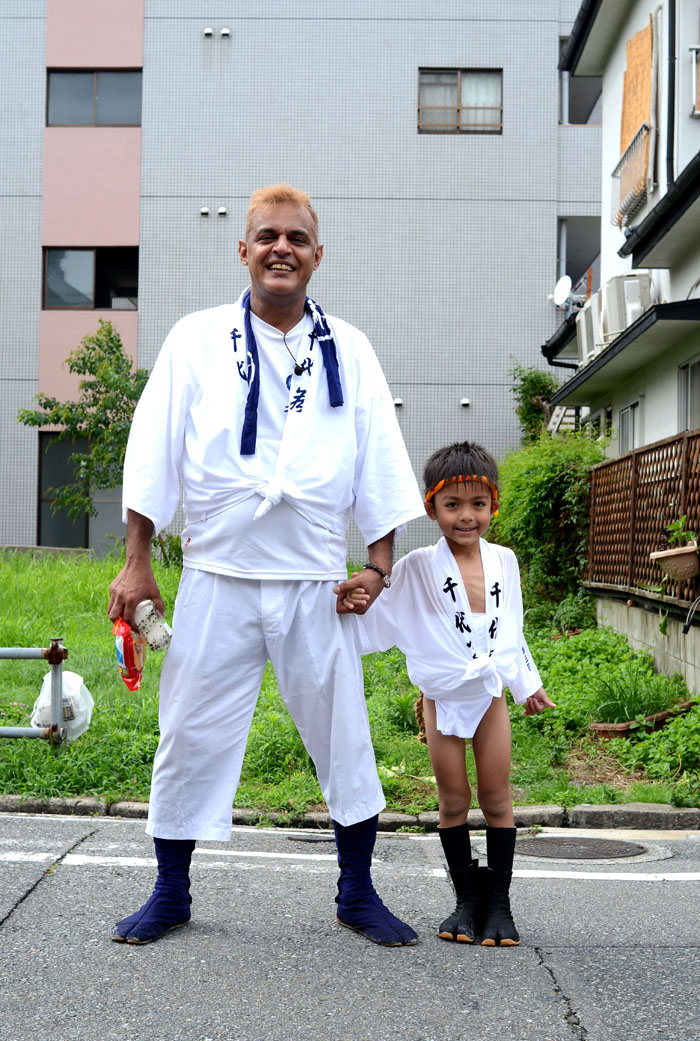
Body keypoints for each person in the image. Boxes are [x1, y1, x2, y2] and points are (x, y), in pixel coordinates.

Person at [107, 184, 426, 947]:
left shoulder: (351, 347)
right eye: (267, 236)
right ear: (243, 249)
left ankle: (357, 891)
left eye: (297, 237)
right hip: (217, 570)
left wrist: (378, 568)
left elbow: (378, 457)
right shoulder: (195, 338)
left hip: (316, 580)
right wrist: (137, 563)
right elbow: (152, 451)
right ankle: (171, 890)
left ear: (318, 254)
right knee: (188, 731)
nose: (282, 248)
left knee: (343, 731)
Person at [344, 441, 555, 946]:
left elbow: (513, 631)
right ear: (430, 508)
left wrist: (529, 683)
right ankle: (465, 902)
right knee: (454, 798)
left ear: (493, 505)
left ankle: (499, 905)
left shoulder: (506, 561)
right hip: (440, 696)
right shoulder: (417, 566)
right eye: (453, 505)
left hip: (490, 696)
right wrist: (355, 600)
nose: (466, 516)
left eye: (477, 504)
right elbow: (380, 614)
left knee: (497, 797)